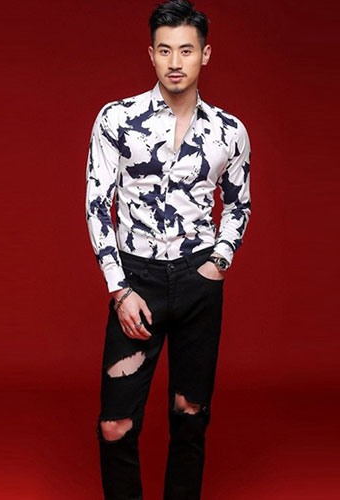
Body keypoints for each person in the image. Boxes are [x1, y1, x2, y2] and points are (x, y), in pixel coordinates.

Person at [85, 1, 252, 498]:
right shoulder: (117, 119)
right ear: (151, 54)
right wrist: (119, 289)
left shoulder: (229, 132)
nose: (175, 62)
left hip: (198, 280)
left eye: (186, 50)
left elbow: (239, 205)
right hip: (136, 282)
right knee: (115, 425)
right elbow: (97, 205)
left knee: (190, 414)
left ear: (205, 54)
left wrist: (218, 263)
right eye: (164, 50)